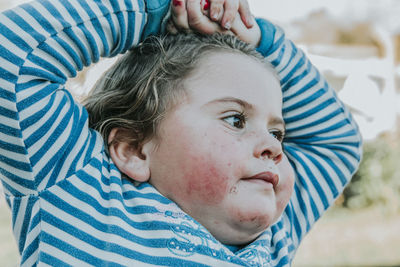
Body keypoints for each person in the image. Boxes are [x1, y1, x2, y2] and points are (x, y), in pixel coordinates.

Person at [0, 0, 362, 266]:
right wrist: (155, 13)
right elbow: (12, 55)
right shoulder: (82, 192)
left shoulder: (272, 236)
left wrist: (257, 40)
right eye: (236, 120)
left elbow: (335, 143)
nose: (272, 146)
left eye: (277, 133)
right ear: (133, 149)